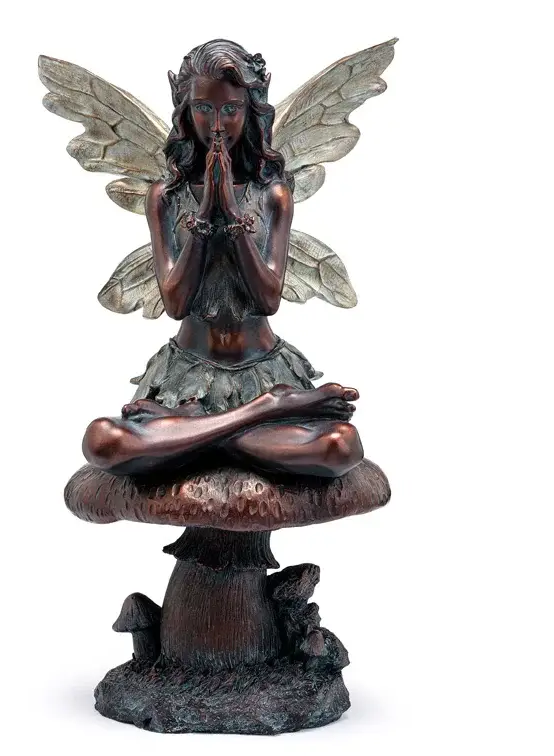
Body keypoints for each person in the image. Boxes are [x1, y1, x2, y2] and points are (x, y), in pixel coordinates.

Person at [83, 40, 363, 479]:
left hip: (264, 369)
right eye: (203, 109)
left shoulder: (273, 194)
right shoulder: (165, 197)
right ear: (185, 111)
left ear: (251, 111)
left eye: (231, 110)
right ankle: (259, 416)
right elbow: (176, 303)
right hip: (185, 380)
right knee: (103, 441)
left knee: (340, 447)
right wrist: (203, 215)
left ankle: (191, 436)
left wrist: (230, 216)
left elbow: (268, 299)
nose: (217, 124)